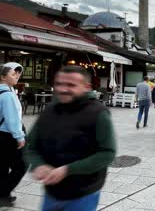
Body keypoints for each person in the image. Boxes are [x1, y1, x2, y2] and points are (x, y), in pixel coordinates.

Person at [25, 65, 116, 211]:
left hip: (83, 194)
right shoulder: (49, 111)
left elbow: (107, 153)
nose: (63, 89)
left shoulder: (98, 113)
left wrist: (68, 170)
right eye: (59, 84)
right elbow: (31, 146)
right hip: (51, 192)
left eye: (71, 85)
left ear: (86, 87)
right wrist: (38, 164)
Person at [0, 62, 26, 207]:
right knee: (21, 165)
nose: (17, 75)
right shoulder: (8, 95)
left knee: (2, 166)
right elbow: (12, 119)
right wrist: (19, 136)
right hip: (7, 136)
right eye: (13, 73)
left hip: (1, 135)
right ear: (3, 77)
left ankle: (4, 195)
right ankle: (3, 192)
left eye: (18, 73)